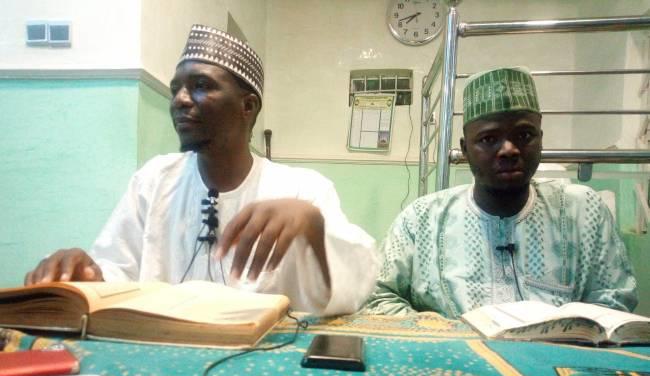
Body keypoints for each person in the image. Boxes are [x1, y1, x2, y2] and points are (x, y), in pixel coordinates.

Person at [25, 25, 378, 316]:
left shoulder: (303, 190)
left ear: (248, 106)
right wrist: (86, 273)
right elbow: (118, 274)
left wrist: (314, 229)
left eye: (201, 86)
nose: (179, 99)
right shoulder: (153, 181)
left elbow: (357, 284)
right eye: (176, 88)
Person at [364, 67, 638, 318]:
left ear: (541, 139)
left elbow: (614, 302)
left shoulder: (584, 212)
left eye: (524, 135)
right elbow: (378, 297)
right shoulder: (421, 219)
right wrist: (443, 335)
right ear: (465, 149)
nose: (509, 150)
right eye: (489, 139)